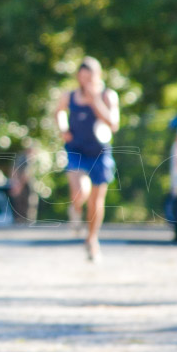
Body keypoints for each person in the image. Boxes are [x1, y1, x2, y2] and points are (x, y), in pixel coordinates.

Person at [54, 57, 120, 262]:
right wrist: (63, 128)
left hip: (100, 153)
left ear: (98, 76)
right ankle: (75, 209)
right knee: (81, 190)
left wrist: (95, 101)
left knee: (96, 201)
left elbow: (113, 124)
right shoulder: (70, 96)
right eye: (82, 78)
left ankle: (92, 239)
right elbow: (58, 112)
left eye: (89, 78)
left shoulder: (108, 96)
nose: (86, 82)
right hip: (76, 151)